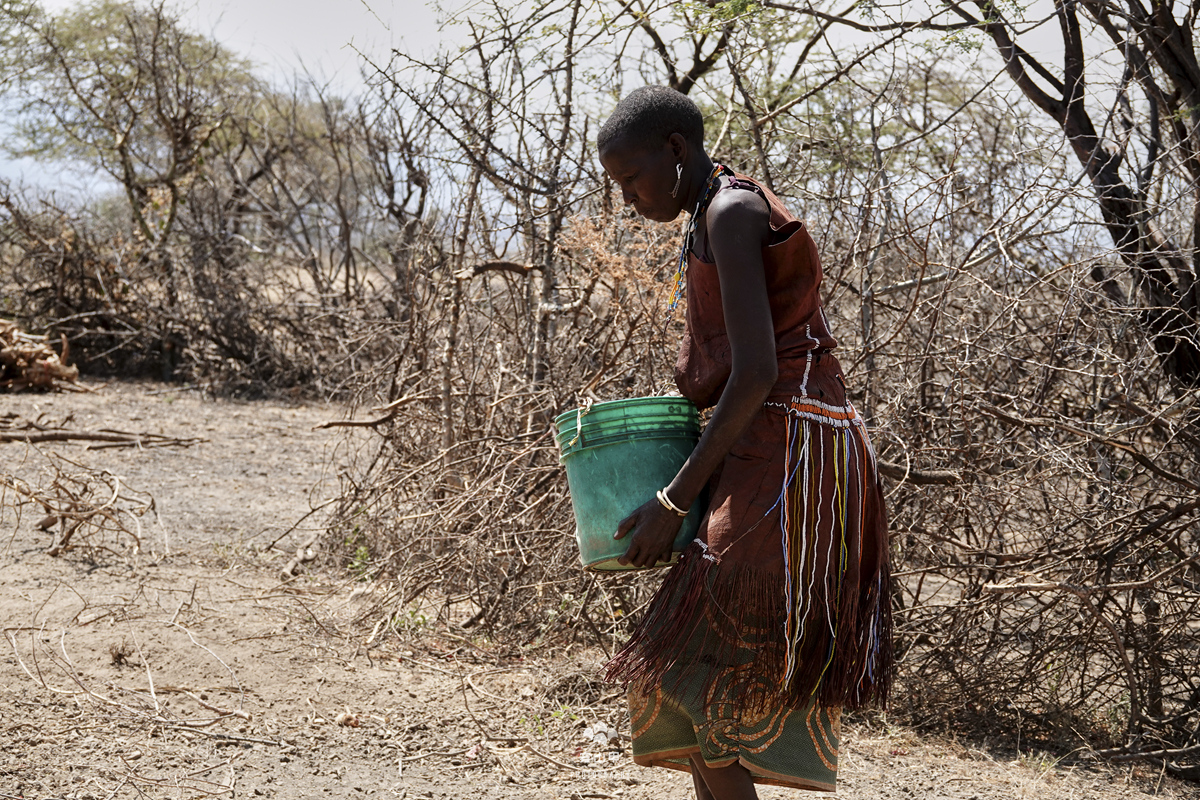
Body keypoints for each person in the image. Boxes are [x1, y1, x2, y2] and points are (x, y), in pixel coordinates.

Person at [596, 85, 893, 799]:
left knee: (704, 675)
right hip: (770, 447)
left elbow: (759, 371)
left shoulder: (731, 212)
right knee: (691, 682)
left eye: (631, 179)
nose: (628, 199)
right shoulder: (711, 213)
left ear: (675, 149)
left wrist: (675, 497)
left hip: (794, 455)